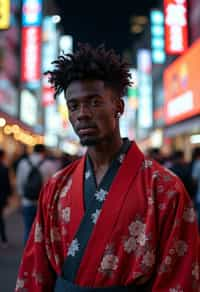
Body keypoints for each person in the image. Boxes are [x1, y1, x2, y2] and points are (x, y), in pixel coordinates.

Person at [15, 44, 199, 291]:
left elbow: (179, 277)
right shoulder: (56, 186)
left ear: (119, 107)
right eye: (74, 105)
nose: (82, 114)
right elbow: (35, 271)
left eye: (94, 102)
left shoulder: (165, 188)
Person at [16, 144, 58, 243]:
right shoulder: (49, 164)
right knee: (42, 231)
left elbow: (19, 183)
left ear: (33, 150)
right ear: (43, 152)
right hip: (44, 203)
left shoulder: (23, 163)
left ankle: (27, 254)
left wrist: (20, 199)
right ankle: (39, 255)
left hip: (27, 201)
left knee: (28, 228)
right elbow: (54, 184)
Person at [0, 149, 11, 248]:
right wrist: (8, 196)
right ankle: (3, 239)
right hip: (1, 196)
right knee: (1, 218)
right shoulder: (4, 168)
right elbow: (7, 184)